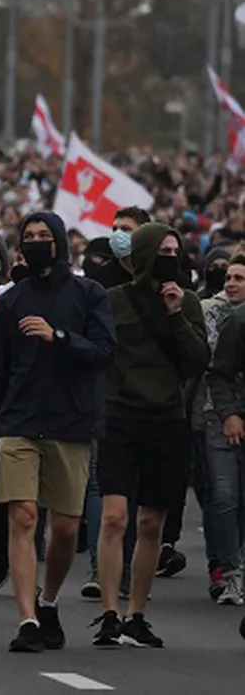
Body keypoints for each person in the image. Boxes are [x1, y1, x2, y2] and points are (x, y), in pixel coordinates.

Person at [0, 212, 117, 653]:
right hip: (19, 422)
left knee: (67, 528)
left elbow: (104, 353)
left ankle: (48, 600)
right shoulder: (12, 301)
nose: (36, 243)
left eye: (44, 236)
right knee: (24, 516)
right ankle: (28, 619)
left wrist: (59, 337)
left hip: (71, 423)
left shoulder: (89, 294)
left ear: (59, 243)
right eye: (29, 237)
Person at [93, 222, 209, 648]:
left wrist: (177, 314)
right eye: (162, 250)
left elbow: (199, 359)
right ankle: (108, 612)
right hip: (120, 417)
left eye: (175, 251)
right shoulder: (112, 301)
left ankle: (136, 614)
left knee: (151, 522)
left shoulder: (187, 302)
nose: (170, 258)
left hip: (166, 420)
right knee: (114, 517)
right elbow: (99, 354)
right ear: (142, 255)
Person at [204, 255, 245, 606]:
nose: (231, 283)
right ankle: (231, 574)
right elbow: (219, 373)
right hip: (224, 420)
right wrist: (230, 413)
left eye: (239, 277)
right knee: (225, 497)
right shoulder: (237, 320)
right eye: (229, 277)